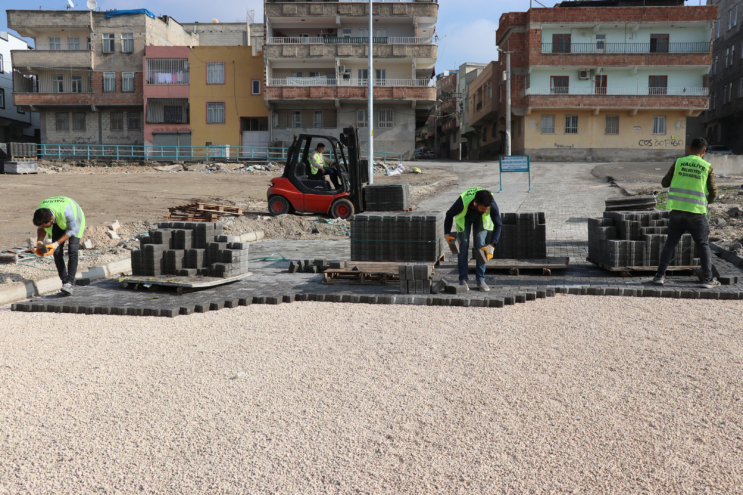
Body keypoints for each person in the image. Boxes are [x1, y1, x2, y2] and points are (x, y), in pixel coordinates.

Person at [653, 137, 719, 289]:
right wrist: (707, 202)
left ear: (689, 149)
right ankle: (707, 280)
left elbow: (664, 183)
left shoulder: (678, 163)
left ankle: (659, 277)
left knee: (669, 245)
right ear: (704, 151)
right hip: (697, 213)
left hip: (677, 211)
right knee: (703, 245)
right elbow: (714, 192)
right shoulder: (707, 166)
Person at [444, 187, 503, 292]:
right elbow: (449, 214)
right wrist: (447, 234)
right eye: (484, 209)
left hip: (480, 220)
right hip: (465, 217)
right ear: (475, 203)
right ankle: (463, 279)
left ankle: (480, 279)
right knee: (464, 245)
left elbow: (499, 224)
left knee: (481, 244)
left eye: (487, 209)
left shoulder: (491, 205)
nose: (486, 211)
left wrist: (492, 245)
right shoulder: (461, 203)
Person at [29, 196, 86, 295]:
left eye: (44, 225)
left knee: (72, 250)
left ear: (51, 219)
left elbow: (72, 230)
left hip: (75, 219)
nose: (43, 227)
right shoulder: (40, 212)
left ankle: (70, 282)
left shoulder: (67, 212)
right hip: (58, 217)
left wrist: (55, 244)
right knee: (57, 252)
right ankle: (65, 283)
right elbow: (40, 227)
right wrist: (39, 243)